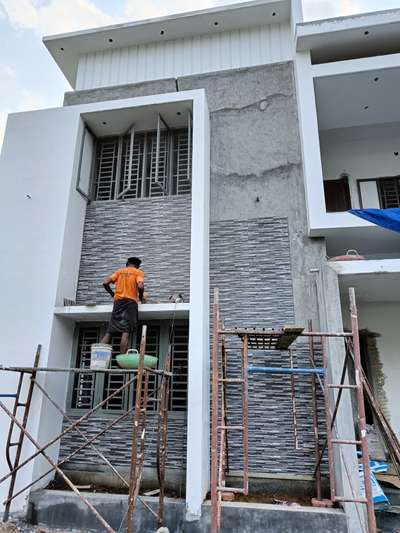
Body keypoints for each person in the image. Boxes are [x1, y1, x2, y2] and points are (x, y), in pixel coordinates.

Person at [100, 257, 145, 354]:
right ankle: (121, 361)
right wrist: (140, 297)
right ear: (137, 266)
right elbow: (140, 286)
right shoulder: (138, 272)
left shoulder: (119, 271)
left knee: (110, 330)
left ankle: (99, 358)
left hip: (118, 303)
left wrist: (112, 294)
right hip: (130, 303)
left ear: (127, 263)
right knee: (125, 331)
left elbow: (105, 282)